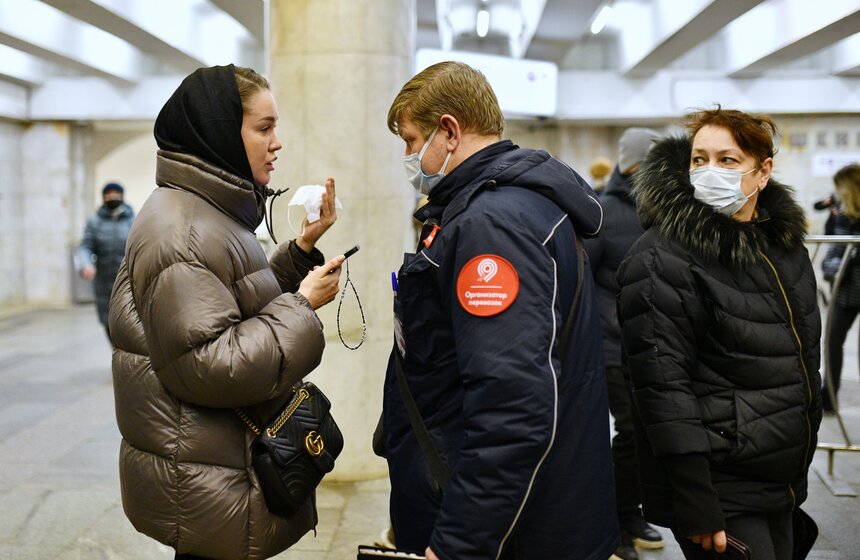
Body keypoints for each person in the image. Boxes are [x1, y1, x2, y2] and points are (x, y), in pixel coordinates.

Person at [380, 61, 618, 560]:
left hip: (515, 533)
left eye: (409, 140)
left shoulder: (493, 226)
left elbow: (513, 403)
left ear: (448, 131)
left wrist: (460, 542)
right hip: (532, 511)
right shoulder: (512, 207)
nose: (407, 156)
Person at [109, 65, 345, 560]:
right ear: (219, 133)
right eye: (263, 128)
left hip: (213, 468)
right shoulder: (183, 230)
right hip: (207, 481)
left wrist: (300, 250)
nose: (277, 142)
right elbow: (211, 362)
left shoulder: (204, 213)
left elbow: (229, 302)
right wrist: (302, 306)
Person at [617, 107, 822, 560]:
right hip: (720, 482)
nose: (709, 171)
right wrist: (696, 502)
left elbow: (803, 359)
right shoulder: (660, 259)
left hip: (780, 476)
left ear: (762, 171)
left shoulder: (782, 247)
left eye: (727, 161)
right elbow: (662, 391)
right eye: (699, 159)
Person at [584, 127, 663, 560]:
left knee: (646, 436)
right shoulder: (604, 211)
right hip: (613, 344)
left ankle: (631, 514)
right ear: (636, 165)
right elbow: (583, 281)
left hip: (657, 346)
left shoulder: (667, 211)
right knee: (628, 432)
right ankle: (614, 523)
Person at [821, 163, 860, 413]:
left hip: (850, 285)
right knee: (832, 340)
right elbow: (832, 252)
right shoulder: (842, 215)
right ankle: (829, 398)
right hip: (846, 291)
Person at [76, 182, 134, 341]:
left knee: (130, 323)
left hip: (129, 282)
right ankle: (117, 358)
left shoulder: (133, 221)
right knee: (109, 323)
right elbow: (85, 247)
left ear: (122, 196)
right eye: (108, 196)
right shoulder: (94, 222)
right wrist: (85, 264)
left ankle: (128, 362)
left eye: (116, 195)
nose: (112, 198)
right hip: (104, 284)